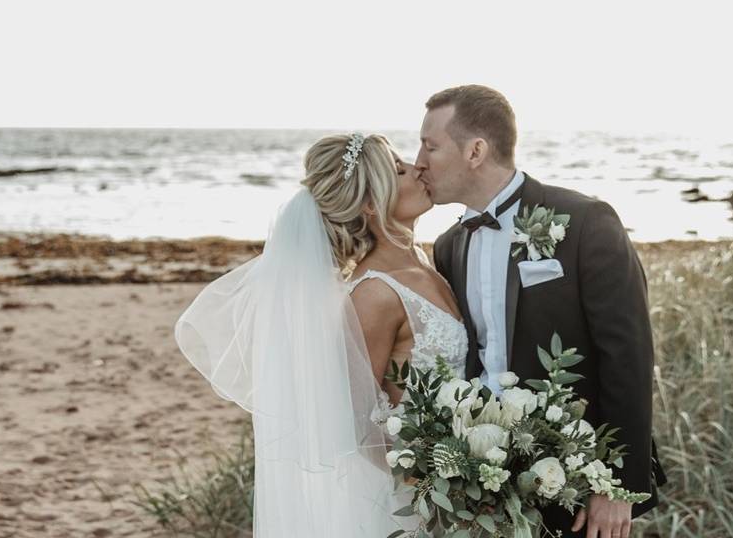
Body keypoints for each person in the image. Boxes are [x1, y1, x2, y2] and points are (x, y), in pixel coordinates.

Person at [174, 133, 468, 536]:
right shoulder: (375, 295)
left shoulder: (426, 262)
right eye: (399, 170)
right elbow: (354, 425)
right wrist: (439, 483)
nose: (418, 167)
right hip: (421, 504)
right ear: (369, 203)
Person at [417, 84, 668, 538]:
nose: (418, 161)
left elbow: (628, 357)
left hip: (576, 481)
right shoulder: (449, 247)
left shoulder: (586, 221)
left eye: (430, 146)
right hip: (484, 483)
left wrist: (617, 484)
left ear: (475, 150)